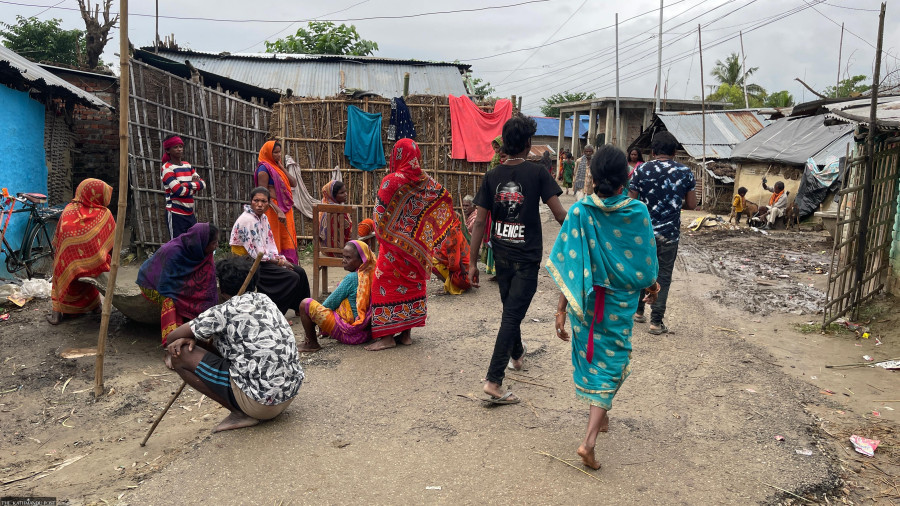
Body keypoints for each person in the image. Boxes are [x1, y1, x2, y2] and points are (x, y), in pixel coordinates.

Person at [547, 145, 660, 471]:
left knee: (597, 360)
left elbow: (569, 266)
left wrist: (561, 310)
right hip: (620, 305)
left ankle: (603, 416)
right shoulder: (637, 212)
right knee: (613, 364)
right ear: (625, 177)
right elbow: (647, 264)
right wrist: (651, 287)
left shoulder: (580, 212)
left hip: (586, 304)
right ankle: (589, 441)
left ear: (593, 177)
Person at [468, 113, 567, 404]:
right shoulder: (538, 173)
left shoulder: (491, 176)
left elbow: (479, 223)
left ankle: (517, 354)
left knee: (511, 310)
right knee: (512, 314)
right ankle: (494, 381)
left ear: (504, 145)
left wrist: (473, 262)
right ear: (527, 143)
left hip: (500, 255)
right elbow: (560, 214)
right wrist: (586, 231)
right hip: (525, 258)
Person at [165, 256, 304, 433]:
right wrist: (196, 336)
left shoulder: (222, 311)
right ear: (254, 282)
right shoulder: (265, 300)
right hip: (289, 393)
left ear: (221, 288)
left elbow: (172, 338)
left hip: (262, 405)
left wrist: (192, 336)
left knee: (180, 353)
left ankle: (240, 413)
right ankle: (245, 403)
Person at [367, 138, 455, 351]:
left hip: (393, 248)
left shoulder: (390, 181)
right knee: (412, 286)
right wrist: (422, 237)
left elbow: (379, 215)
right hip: (418, 248)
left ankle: (387, 337)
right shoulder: (427, 182)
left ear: (397, 156)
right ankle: (406, 335)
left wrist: (389, 235)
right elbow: (445, 197)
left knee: (383, 284)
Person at [628, 131, 697, 334]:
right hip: (669, 234)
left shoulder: (641, 170)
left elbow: (632, 202)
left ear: (652, 151)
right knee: (663, 275)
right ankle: (656, 322)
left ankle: (639, 312)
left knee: (642, 270)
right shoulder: (685, 172)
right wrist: (673, 203)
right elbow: (692, 204)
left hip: (643, 232)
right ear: (675, 151)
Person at [229, 187, 310, 315]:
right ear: (251, 202)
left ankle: (301, 308)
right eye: (256, 201)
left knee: (299, 271)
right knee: (291, 277)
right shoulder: (248, 220)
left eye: (263, 201)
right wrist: (279, 263)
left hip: (262, 258)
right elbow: (255, 254)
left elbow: (269, 244)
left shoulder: (263, 218)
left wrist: (279, 258)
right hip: (249, 262)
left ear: (268, 203)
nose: (260, 204)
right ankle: (275, 314)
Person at [137, 223, 219, 348]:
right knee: (172, 301)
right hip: (152, 285)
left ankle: (198, 333)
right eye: (213, 243)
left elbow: (209, 282)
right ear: (201, 243)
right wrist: (187, 298)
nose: (216, 246)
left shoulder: (204, 254)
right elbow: (166, 286)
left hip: (176, 287)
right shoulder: (173, 252)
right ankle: (172, 343)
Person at [47, 178, 115, 325]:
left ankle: (57, 312)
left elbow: (59, 240)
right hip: (94, 265)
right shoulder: (105, 214)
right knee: (95, 266)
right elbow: (111, 244)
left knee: (59, 264)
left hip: (68, 265)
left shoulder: (68, 210)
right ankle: (96, 306)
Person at [297, 240, 375, 352]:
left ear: (362, 260)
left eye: (348, 258)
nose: (343, 261)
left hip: (349, 333)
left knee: (306, 304)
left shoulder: (352, 278)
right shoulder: (371, 274)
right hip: (365, 334)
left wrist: (317, 323)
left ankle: (311, 343)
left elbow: (329, 304)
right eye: (343, 257)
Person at [254, 140, 298, 264]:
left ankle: (289, 264)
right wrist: (278, 210)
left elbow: (294, 183)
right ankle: (277, 265)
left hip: (284, 207)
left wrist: (281, 167)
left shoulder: (276, 167)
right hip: (273, 210)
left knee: (287, 238)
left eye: (279, 152)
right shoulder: (263, 169)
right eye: (275, 153)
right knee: (275, 237)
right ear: (268, 153)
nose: (278, 155)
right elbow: (263, 194)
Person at [161, 134, 205, 240]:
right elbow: (179, 192)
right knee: (177, 245)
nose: (179, 149)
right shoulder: (167, 168)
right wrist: (194, 187)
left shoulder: (187, 166)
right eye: (175, 147)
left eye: (180, 146)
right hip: (176, 214)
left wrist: (186, 185)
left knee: (193, 242)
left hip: (190, 213)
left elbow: (203, 184)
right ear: (168, 151)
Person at [432, 216, 472, 295]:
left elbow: (454, 263)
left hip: (464, 277)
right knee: (434, 256)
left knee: (430, 260)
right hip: (469, 274)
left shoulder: (452, 231)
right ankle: (452, 283)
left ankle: (453, 286)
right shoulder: (454, 226)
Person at [319, 180, 352, 256]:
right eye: (342, 193)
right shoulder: (340, 210)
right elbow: (349, 233)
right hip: (346, 250)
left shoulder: (322, 209)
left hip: (325, 250)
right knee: (368, 222)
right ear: (333, 195)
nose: (345, 194)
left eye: (345, 192)